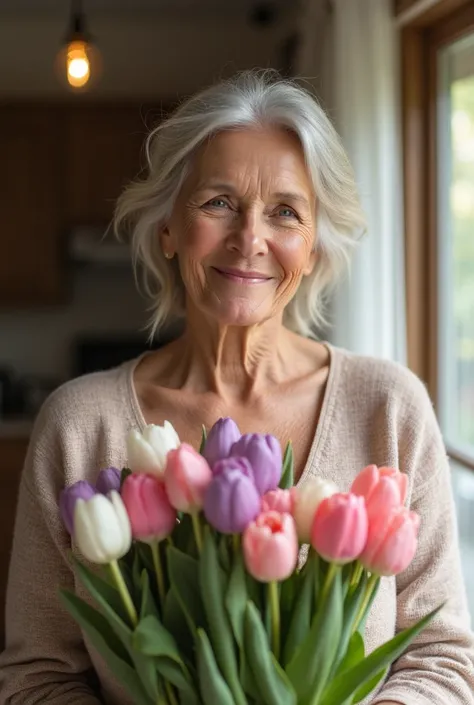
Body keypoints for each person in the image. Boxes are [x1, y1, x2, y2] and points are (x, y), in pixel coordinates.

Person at [0, 69, 473, 705]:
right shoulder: (80, 426)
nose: (250, 239)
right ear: (168, 227)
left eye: (285, 212)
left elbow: (443, 659)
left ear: (312, 246)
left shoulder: (388, 409)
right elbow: (34, 677)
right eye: (217, 202)